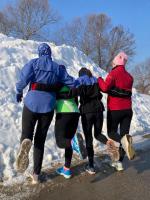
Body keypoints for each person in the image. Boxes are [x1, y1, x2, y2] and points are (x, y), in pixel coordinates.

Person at [15, 43, 75, 184]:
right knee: (40, 141)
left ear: (40, 52)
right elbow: (71, 82)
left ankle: (25, 141)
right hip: (48, 107)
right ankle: (36, 175)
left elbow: (23, 80)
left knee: (26, 133)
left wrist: (19, 91)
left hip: (31, 103)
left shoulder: (33, 63)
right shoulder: (56, 68)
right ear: (50, 53)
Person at [98, 52, 135, 171]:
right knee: (124, 135)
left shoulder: (113, 73)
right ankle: (119, 163)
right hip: (128, 110)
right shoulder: (130, 77)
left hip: (115, 110)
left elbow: (104, 88)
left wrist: (99, 79)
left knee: (112, 133)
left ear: (116, 62)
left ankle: (124, 143)